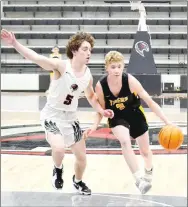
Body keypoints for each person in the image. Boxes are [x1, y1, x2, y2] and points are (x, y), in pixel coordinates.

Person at [1, 29, 113, 195]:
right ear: (74, 50)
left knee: (82, 158)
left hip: (71, 119)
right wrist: (15, 44)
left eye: (90, 50)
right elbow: (36, 58)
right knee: (59, 149)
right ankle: (58, 169)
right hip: (52, 116)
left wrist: (101, 111)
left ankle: (78, 181)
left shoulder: (87, 74)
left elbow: (90, 95)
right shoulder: (61, 66)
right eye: (85, 49)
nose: (89, 53)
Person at [83, 51, 172, 194]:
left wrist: (167, 121)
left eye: (119, 67)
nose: (117, 70)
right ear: (107, 68)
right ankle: (138, 180)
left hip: (135, 113)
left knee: (145, 152)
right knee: (124, 141)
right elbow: (101, 109)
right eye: (113, 67)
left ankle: (148, 173)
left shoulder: (130, 81)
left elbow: (150, 101)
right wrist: (94, 126)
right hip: (117, 116)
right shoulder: (101, 86)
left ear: (123, 66)